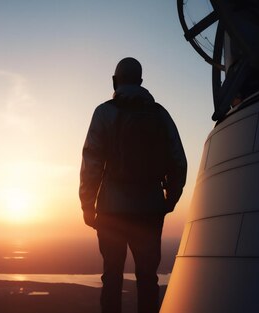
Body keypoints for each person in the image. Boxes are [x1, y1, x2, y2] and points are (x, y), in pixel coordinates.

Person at [79, 57, 187, 313]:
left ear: (115, 80)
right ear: (140, 81)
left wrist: (87, 205)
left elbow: (91, 162)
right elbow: (178, 160)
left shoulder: (104, 113)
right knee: (148, 278)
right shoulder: (160, 114)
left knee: (112, 277)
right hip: (150, 209)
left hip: (111, 210)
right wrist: (170, 198)